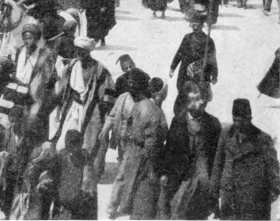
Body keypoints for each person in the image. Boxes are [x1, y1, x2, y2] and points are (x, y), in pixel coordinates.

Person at [54, 36, 115, 219]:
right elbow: (63, 86)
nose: (80, 54)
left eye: (83, 51)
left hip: (91, 110)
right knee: (64, 144)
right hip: (73, 108)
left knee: (88, 148)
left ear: (89, 52)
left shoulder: (100, 70)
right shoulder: (72, 65)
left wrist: (104, 116)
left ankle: (85, 186)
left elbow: (107, 95)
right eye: (77, 51)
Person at [210, 99, 280, 220]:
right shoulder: (226, 134)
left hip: (253, 203)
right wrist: (213, 195)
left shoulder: (263, 139)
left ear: (249, 118)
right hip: (230, 199)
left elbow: (274, 172)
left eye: (242, 121)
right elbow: (217, 165)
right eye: (235, 120)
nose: (237, 125)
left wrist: (266, 198)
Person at [161, 81, 221, 220]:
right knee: (178, 211)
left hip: (203, 181)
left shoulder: (213, 123)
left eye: (201, 98)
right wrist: (165, 172)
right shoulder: (178, 121)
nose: (202, 102)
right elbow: (169, 149)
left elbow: (218, 156)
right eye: (196, 99)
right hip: (182, 178)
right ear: (187, 103)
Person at [116, 68, 168, 220]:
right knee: (145, 208)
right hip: (147, 166)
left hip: (135, 160)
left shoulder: (139, 105)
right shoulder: (154, 111)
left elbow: (128, 132)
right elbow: (152, 144)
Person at [169, 13, 218, 115]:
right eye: (193, 25)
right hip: (185, 73)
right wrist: (172, 67)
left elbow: (213, 60)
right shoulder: (187, 38)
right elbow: (179, 53)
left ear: (202, 25)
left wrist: (214, 75)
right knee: (184, 94)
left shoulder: (208, 41)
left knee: (200, 97)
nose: (195, 27)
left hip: (201, 73)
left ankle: (197, 115)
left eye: (197, 25)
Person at [53, 129, 92, 219]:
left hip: (75, 202)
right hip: (64, 202)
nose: (75, 149)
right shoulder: (61, 156)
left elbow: (88, 180)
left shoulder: (84, 156)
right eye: (72, 145)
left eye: (77, 145)